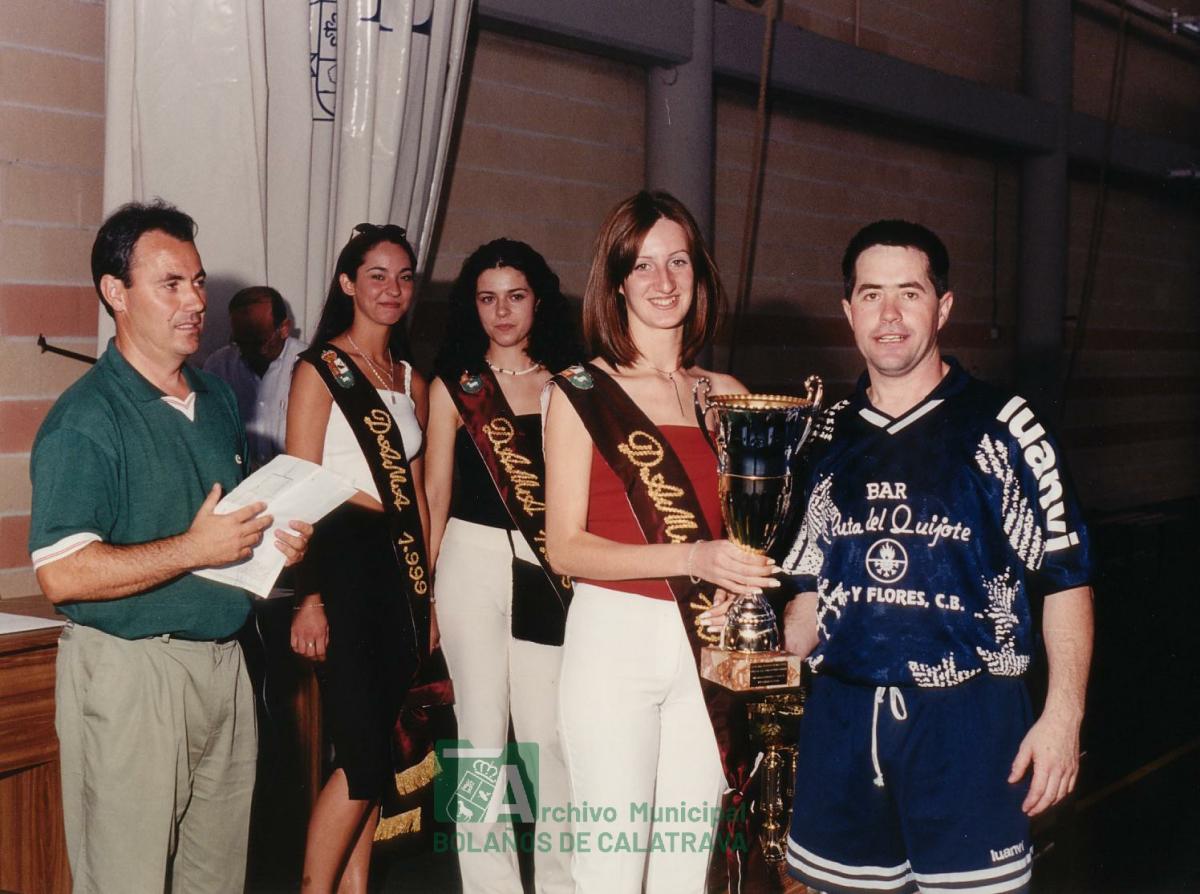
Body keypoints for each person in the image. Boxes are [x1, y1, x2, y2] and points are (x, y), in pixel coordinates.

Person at [778, 220, 1094, 893]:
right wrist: (762, 645)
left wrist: (1063, 715)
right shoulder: (823, 434)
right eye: (871, 295)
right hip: (842, 720)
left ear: (943, 307)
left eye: (910, 293)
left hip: (968, 722)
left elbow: (1066, 581)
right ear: (849, 310)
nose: (889, 315)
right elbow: (805, 587)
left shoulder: (1005, 425)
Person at [28, 200, 312, 893]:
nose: (195, 302)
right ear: (116, 292)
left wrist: (269, 541)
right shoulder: (85, 418)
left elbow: (220, 530)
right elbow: (63, 574)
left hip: (225, 666)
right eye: (171, 284)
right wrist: (193, 549)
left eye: (198, 281)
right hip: (133, 675)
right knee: (127, 880)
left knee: (217, 882)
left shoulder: (216, 399)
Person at [543, 191, 779, 894]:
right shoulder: (580, 389)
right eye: (642, 265)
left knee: (685, 866)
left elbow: (751, 529)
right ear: (617, 282)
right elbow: (565, 548)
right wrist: (693, 558)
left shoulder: (727, 392)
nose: (663, 280)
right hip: (613, 639)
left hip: (704, 640)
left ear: (699, 274)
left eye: (678, 261)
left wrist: (738, 581)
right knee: (611, 867)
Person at [425, 238, 580, 893]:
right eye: (488, 299)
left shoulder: (571, 384)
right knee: (479, 739)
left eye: (515, 296)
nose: (503, 311)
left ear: (538, 300)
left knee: (549, 738)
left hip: (549, 565)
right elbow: (435, 493)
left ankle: (562, 884)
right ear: (474, 306)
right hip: (470, 559)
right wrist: (426, 594)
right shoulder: (454, 386)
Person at [287, 222, 433, 894]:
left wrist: (428, 592)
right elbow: (300, 486)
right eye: (376, 275)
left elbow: (419, 496)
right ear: (348, 282)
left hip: (400, 569)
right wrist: (309, 596)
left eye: (403, 277)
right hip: (341, 560)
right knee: (362, 754)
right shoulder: (320, 369)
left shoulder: (411, 378)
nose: (391, 289)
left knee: (381, 748)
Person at [203, 285, 307, 471]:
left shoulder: (309, 365)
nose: (247, 350)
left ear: (284, 329)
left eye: (258, 341)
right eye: (240, 342)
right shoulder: (218, 366)